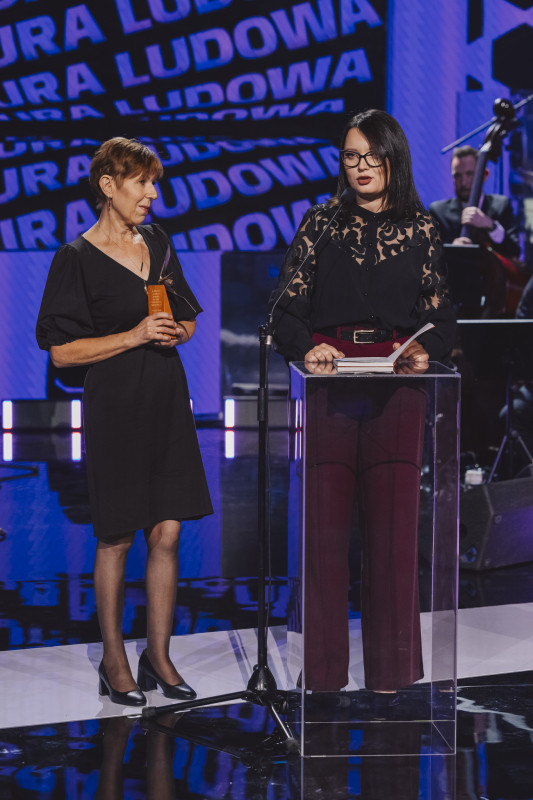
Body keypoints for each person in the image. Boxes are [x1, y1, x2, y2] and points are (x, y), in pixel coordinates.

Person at [270, 109, 456, 695]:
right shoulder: (321, 222)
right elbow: (285, 311)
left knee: (395, 538)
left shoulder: (422, 228)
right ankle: (323, 676)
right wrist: (308, 350)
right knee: (323, 537)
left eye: (372, 156)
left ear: (393, 157)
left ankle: (390, 672)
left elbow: (442, 317)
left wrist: (424, 351)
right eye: (351, 156)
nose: (361, 166)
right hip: (329, 383)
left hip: (397, 389)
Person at [36, 138, 213, 706]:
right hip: (115, 406)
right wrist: (134, 335)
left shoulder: (157, 242)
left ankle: (158, 655)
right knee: (116, 535)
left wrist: (174, 330)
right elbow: (61, 353)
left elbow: (187, 318)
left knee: (168, 531)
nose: (152, 194)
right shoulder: (76, 258)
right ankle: (114, 660)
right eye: (141, 182)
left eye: (154, 183)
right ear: (108, 186)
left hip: (166, 398)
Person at [429, 145, 520, 258]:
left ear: (485, 175)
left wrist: (491, 225)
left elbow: (514, 251)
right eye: (457, 176)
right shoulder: (438, 211)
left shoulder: (501, 205)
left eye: (469, 174)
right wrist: (451, 249)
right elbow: (427, 257)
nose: (463, 183)